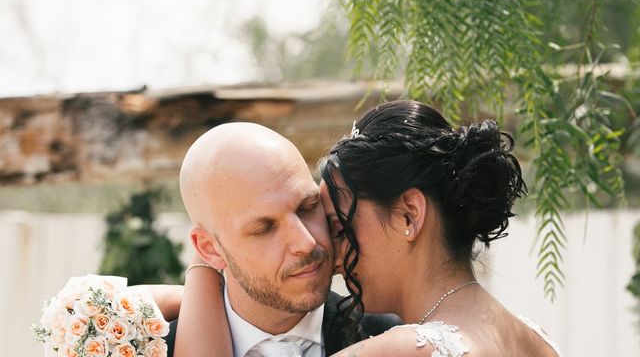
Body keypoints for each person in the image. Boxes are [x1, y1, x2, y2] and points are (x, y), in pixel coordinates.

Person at [168, 101, 561, 356]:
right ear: (209, 246)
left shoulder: (388, 350)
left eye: (337, 223)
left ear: (408, 216)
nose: (327, 251)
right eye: (264, 228)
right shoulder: (535, 340)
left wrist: (201, 280)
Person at [163, 122, 400, 357]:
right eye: (264, 228)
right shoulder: (150, 348)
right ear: (210, 249)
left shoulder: (394, 335)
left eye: (307, 208)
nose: (305, 242)